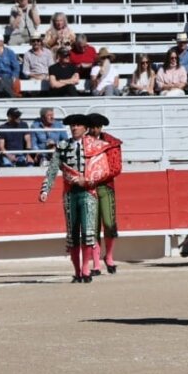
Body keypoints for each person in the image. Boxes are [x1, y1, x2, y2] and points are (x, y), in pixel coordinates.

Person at [40, 113, 118, 283]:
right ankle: (77, 272)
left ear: (84, 128)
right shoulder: (62, 146)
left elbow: (103, 169)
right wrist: (46, 189)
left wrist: (87, 180)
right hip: (70, 194)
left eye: (77, 125)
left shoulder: (96, 146)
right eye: (72, 125)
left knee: (89, 233)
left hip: (88, 192)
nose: (74, 128)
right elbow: (53, 168)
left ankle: (85, 269)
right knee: (73, 234)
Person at [85, 114, 123, 275]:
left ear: (101, 127)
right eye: (92, 127)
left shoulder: (111, 143)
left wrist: (95, 177)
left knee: (109, 223)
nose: (95, 130)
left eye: (97, 127)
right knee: (92, 227)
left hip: (105, 187)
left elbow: (116, 167)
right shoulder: (82, 143)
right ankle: (96, 264)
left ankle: (109, 257)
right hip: (88, 189)